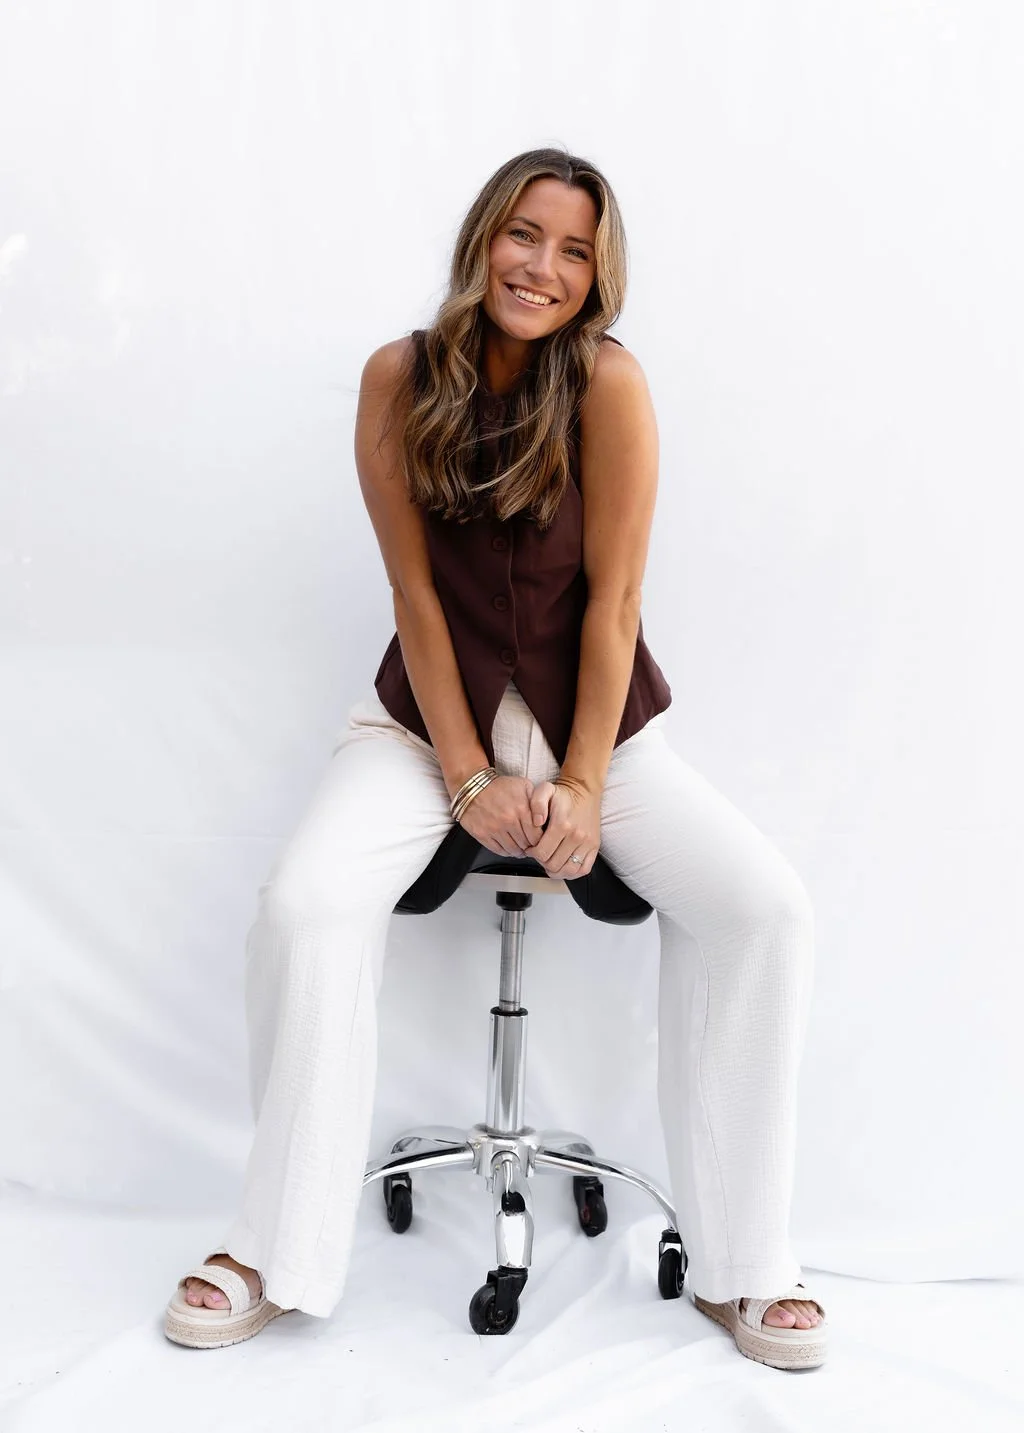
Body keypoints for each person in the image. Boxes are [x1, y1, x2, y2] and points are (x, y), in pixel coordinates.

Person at [163, 147, 827, 1370]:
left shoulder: (609, 385)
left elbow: (616, 601)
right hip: (426, 725)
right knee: (302, 905)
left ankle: (747, 1262)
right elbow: (414, 595)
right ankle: (269, 1245)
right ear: (484, 237)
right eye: (528, 234)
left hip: (597, 726)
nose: (545, 266)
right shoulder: (396, 377)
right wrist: (467, 775)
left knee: (762, 909)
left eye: (575, 250)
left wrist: (580, 782)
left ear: (596, 277)